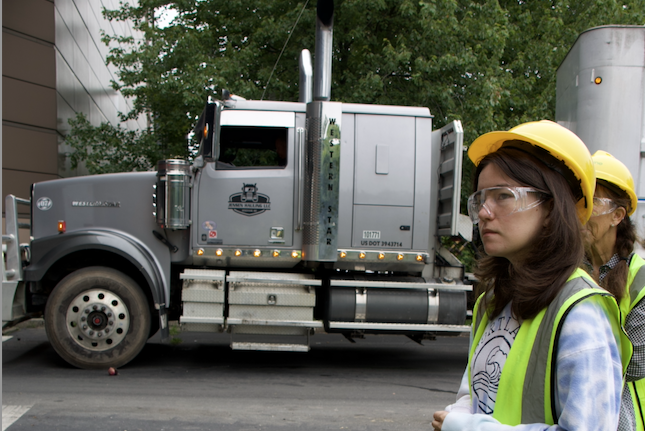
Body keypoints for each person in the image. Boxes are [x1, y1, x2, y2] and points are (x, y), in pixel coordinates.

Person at [432, 120, 631, 431]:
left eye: (503, 196)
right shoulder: (492, 301)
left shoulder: (581, 314)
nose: (484, 212)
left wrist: (468, 427)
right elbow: (476, 390)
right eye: (481, 198)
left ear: (552, 209)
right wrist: (458, 412)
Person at [582, 150, 645, 431]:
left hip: (621, 420)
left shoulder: (639, 278)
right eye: (579, 198)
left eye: (592, 202)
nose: (581, 211)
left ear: (617, 215)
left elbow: (636, 365)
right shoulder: (566, 269)